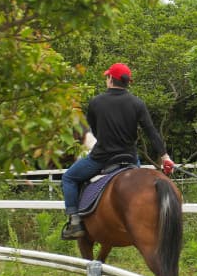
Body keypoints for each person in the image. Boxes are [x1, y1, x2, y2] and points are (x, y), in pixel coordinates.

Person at [60, 62, 174, 239]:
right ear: (127, 82)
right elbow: (151, 132)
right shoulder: (137, 103)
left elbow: (94, 131)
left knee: (69, 178)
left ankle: (75, 222)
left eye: (107, 77)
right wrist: (165, 157)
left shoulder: (96, 102)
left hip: (102, 158)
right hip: (130, 158)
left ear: (110, 79)